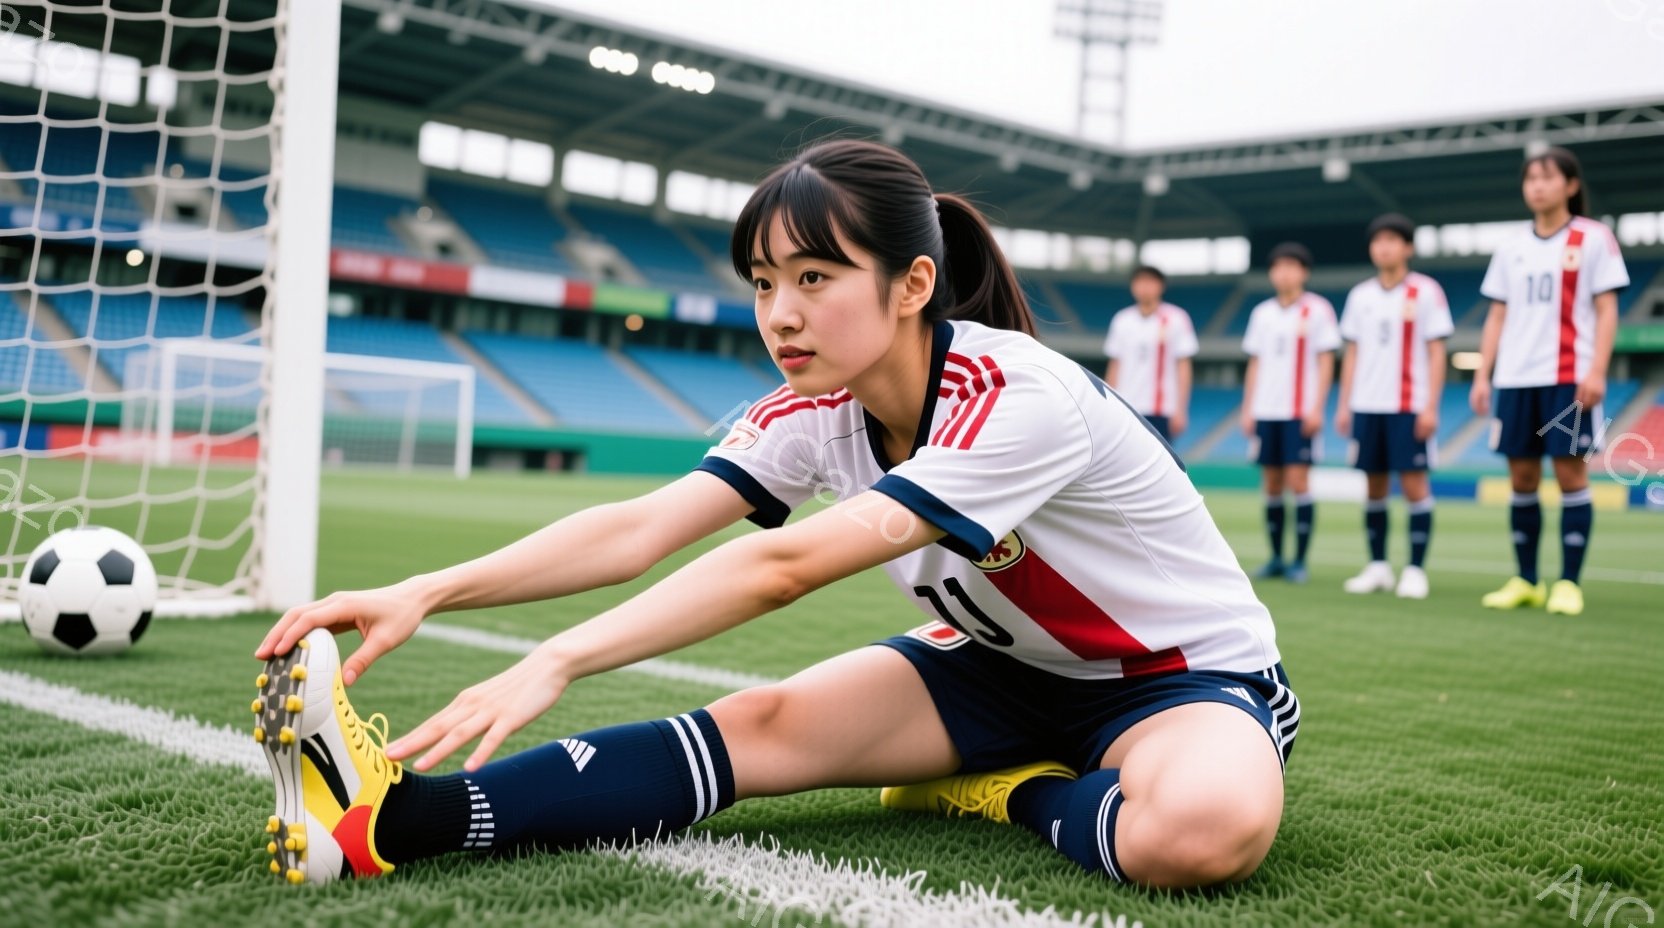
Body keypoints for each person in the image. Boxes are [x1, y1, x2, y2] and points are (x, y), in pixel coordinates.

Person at [250, 140, 1299, 891]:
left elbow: (782, 568)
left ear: (911, 284)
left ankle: (1008, 789)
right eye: (761, 283)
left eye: (813, 275)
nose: (780, 313)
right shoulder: (810, 410)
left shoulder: (1016, 395)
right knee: (756, 727)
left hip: (1176, 678)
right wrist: (426, 589)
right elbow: (639, 528)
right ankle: (390, 819)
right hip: (995, 666)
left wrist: (559, 656)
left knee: (1203, 833)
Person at [1470, 146, 1628, 616]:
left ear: (1571, 185)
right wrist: (1483, 372)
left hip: (1567, 378)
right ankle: (1525, 579)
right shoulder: (1511, 248)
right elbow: (1497, 315)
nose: (1536, 185)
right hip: (1516, 380)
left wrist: (1596, 369)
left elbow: (1606, 308)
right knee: (1520, 477)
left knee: (1569, 471)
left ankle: (1568, 583)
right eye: (1530, 178)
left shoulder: (1593, 238)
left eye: (1547, 176)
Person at [1335, 214, 1454, 599]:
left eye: (1392, 240)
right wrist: (1344, 404)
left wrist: (1430, 405)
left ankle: (1416, 570)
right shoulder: (1359, 296)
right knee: (1373, 486)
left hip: (1409, 406)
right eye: (1377, 241)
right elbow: (1351, 353)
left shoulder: (1426, 292)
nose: (1383, 247)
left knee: (1415, 484)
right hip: (1366, 406)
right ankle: (1378, 566)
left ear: (1407, 248)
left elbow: (1438, 352)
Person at [1240, 242, 1339, 585]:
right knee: (1271, 484)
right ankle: (1276, 558)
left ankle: (1300, 560)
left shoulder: (1318, 310)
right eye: (1277, 266)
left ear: (1303, 272)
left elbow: (1326, 362)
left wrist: (1317, 407)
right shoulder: (1262, 314)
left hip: (1300, 413)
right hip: (1266, 411)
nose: (1283, 272)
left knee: (1298, 482)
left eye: (1291, 266)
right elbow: (1255, 363)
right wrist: (1248, 407)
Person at [1103, 265, 1198, 442]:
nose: (1144, 287)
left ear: (1161, 286)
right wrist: (1108, 403)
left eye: (1150, 282)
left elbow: (1183, 365)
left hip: (1161, 409)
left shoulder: (1177, 318)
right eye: (1139, 281)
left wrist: (1181, 409)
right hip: (1126, 405)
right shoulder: (1121, 320)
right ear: (1132, 286)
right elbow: (1115, 365)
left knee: (1161, 464)